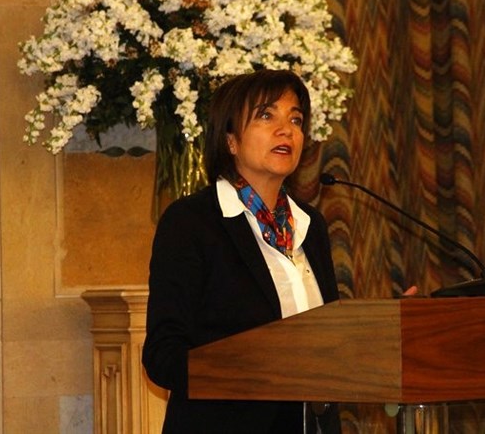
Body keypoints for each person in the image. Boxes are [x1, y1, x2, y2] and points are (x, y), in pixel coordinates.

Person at [142, 69, 341, 433]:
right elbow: (163, 354)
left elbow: (328, 338)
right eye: (266, 115)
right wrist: (256, 367)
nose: (286, 130)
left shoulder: (310, 225)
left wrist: (383, 327)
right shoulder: (192, 222)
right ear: (230, 140)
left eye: (295, 119)